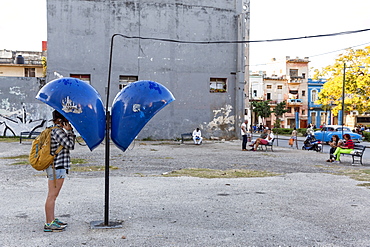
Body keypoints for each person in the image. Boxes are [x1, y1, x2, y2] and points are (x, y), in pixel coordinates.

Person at [44, 110, 76, 232]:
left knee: (53, 195)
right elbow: (70, 145)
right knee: (52, 195)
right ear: (61, 120)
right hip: (57, 167)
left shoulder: (55, 130)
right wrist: (69, 131)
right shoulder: (57, 131)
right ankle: (48, 223)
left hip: (56, 167)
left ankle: (52, 219)